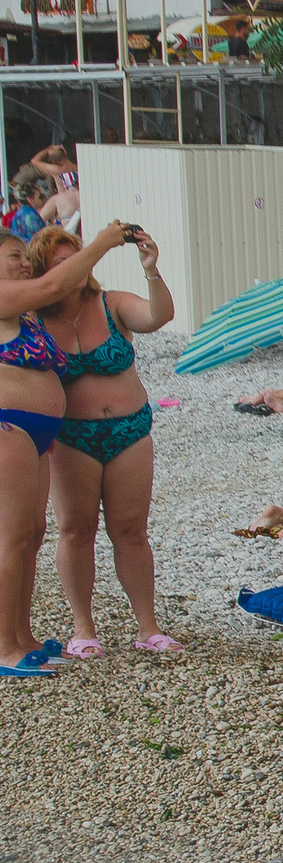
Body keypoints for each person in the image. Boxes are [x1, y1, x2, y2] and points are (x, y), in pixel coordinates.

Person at [0, 221, 146, 677]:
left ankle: (22, 636)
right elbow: (57, 281)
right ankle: (3, 646)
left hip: (40, 431)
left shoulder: (27, 310)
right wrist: (102, 242)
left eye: (25, 256)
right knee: (11, 537)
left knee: (32, 535)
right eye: (14, 256)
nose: (25, 262)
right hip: (10, 427)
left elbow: (59, 292)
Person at [35, 224, 179, 656]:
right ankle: (83, 627)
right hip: (71, 435)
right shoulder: (35, 317)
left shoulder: (110, 302)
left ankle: (148, 626)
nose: (73, 267)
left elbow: (158, 317)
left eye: (76, 256)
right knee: (76, 531)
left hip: (130, 430)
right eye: (60, 264)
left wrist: (152, 271)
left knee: (131, 531)